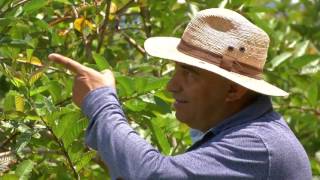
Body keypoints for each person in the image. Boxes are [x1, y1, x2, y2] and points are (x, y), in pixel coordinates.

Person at [48, 8, 312, 180]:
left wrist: (101, 103)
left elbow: (155, 175)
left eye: (189, 73)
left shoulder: (257, 145)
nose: (171, 86)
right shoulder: (247, 133)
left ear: (234, 89)